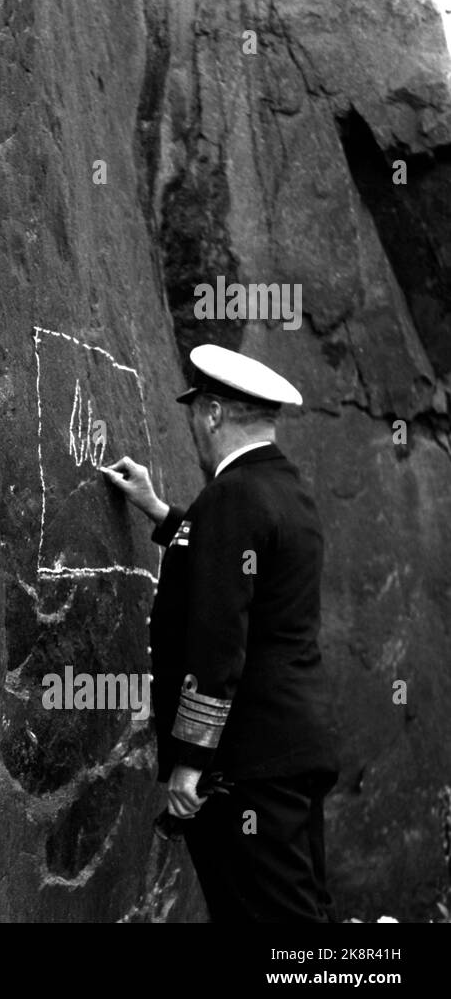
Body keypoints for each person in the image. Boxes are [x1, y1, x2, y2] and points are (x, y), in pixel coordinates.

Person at [102, 344, 339, 922]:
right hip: (289, 748)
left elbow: (218, 639)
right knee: (298, 909)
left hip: (246, 763)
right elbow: (240, 559)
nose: (193, 428)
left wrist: (190, 760)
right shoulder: (287, 489)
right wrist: (160, 512)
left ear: (211, 413)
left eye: (193, 415)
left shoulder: (234, 496)